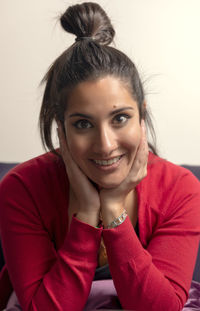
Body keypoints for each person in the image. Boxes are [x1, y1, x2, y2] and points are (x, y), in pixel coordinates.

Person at [0, 2, 200, 311]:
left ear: (141, 117)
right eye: (83, 124)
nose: (105, 145)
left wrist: (113, 209)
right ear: (61, 129)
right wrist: (88, 214)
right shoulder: (21, 189)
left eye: (120, 118)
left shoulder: (180, 189)